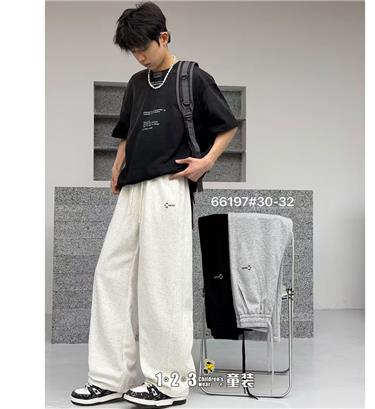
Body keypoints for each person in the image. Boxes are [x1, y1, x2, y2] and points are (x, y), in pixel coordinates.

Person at [70, 1, 238, 407]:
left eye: (143, 48)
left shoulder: (193, 77)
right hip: (133, 187)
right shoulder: (136, 83)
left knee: (162, 283)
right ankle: (111, 377)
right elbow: (127, 132)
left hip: (169, 186)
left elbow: (228, 126)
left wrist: (206, 163)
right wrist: (117, 165)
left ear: (163, 37)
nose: (139, 56)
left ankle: (168, 382)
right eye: (133, 51)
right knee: (111, 275)